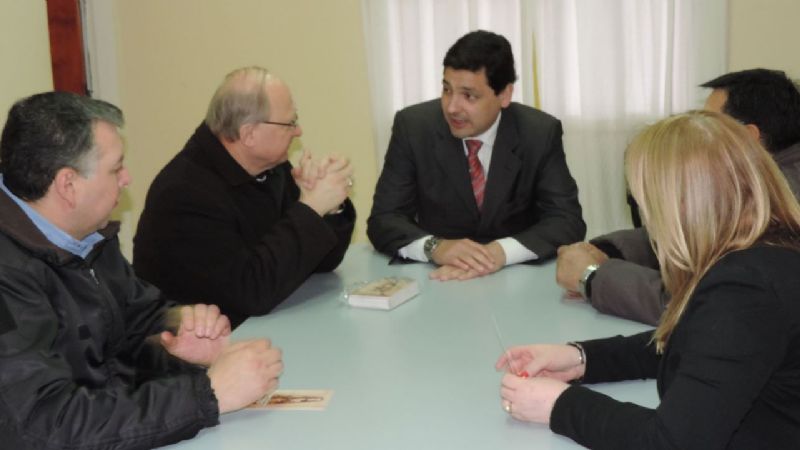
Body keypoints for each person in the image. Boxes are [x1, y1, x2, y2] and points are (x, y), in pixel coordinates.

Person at [497, 111, 800, 449]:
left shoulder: (746, 288)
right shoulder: (769, 249)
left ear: (682, 205)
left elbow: (670, 442)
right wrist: (582, 358)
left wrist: (558, 405)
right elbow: (698, 347)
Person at [0, 92, 283, 449]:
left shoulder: (87, 236)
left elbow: (132, 332)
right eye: (116, 168)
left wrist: (177, 343)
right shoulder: (9, 274)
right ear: (68, 185)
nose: (127, 179)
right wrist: (206, 395)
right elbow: (40, 426)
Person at [556, 68, 800, 324]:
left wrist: (592, 276)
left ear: (748, 136)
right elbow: (693, 231)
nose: (700, 132)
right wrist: (605, 250)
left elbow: (696, 304)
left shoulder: (776, 198)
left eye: (710, 123)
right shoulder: (754, 180)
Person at [133, 66, 355, 328]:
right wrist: (311, 208)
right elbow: (250, 293)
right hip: (198, 350)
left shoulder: (270, 169)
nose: (298, 132)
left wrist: (328, 207)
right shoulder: (184, 195)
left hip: (267, 325)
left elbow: (322, 261)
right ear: (249, 134)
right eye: (290, 123)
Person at [367, 30, 585, 282]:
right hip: (437, 280)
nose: (451, 107)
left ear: (504, 95)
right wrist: (435, 247)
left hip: (517, 280)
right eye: (447, 90)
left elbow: (566, 220)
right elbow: (385, 219)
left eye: (468, 96)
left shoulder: (538, 133)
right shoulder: (414, 127)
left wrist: (499, 253)